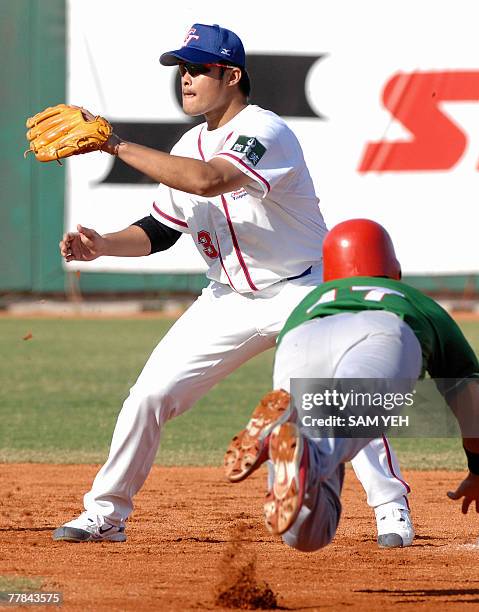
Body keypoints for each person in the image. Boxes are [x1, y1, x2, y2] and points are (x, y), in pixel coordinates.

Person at [53, 23, 412, 545]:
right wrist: (102, 244)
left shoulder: (265, 131)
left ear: (232, 75)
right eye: (182, 68)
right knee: (149, 395)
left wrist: (114, 142)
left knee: (330, 393)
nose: (186, 77)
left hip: (301, 289)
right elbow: (160, 231)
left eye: (198, 68)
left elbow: (209, 180)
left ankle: (390, 507)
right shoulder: (189, 142)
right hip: (226, 299)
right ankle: (105, 515)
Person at [224, 219, 479, 551]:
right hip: (381, 331)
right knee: (351, 422)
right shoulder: (416, 301)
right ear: (394, 269)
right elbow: (471, 410)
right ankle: (310, 456)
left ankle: (284, 437)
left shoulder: (311, 300)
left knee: (304, 535)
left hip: (300, 338)